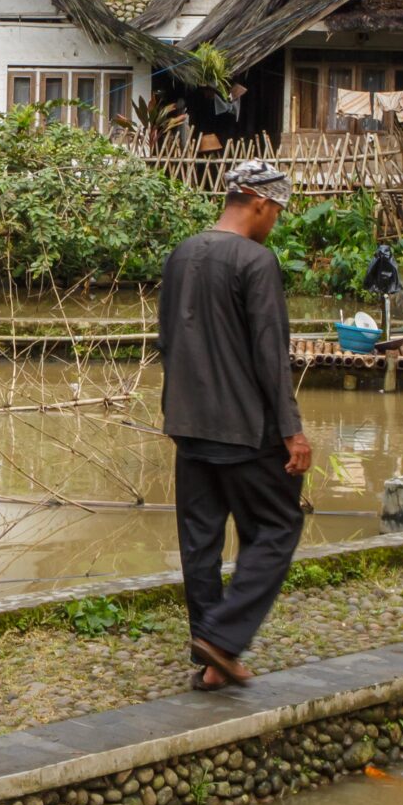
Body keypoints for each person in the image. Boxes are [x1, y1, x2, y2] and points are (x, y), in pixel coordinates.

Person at [157, 158, 310, 691]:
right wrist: (292, 430)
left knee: (199, 542)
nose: (276, 223)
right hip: (244, 429)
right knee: (277, 525)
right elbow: (272, 353)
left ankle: (210, 657)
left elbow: (167, 341)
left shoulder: (180, 255)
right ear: (261, 204)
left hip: (187, 422)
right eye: (278, 213)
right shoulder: (255, 260)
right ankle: (222, 639)